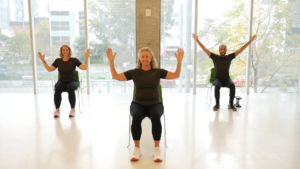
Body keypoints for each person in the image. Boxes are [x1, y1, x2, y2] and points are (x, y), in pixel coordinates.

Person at [106, 47, 184, 162]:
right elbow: (116, 76)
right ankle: (136, 149)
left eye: (147, 56)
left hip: (155, 103)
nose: (145, 58)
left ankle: (157, 149)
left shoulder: (157, 72)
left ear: (151, 58)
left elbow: (176, 75)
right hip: (138, 103)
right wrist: (111, 61)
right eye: (143, 56)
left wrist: (179, 61)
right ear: (140, 59)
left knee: (156, 116)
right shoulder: (135, 72)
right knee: (136, 116)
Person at [192, 34, 256, 111]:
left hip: (226, 79)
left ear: (226, 50)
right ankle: (217, 104)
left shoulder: (229, 57)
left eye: (224, 49)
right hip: (217, 79)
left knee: (232, 85)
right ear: (219, 50)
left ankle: (231, 104)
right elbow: (205, 49)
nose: (222, 51)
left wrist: (250, 41)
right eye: (221, 49)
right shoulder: (215, 57)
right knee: (217, 85)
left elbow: (240, 49)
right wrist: (197, 40)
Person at [37, 45, 90, 117]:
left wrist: (87, 57)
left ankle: (72, 110)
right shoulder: (58, 61)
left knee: (70, 87)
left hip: (73, 81)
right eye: (63, 50)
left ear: (69, 51)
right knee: (58, 88)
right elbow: (49, 69)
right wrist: (43, 60)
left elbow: (84, 67)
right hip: (62, 81)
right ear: (61, 51)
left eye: (67, 50)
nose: (65, 51)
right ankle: (57, 110)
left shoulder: (74, 60)